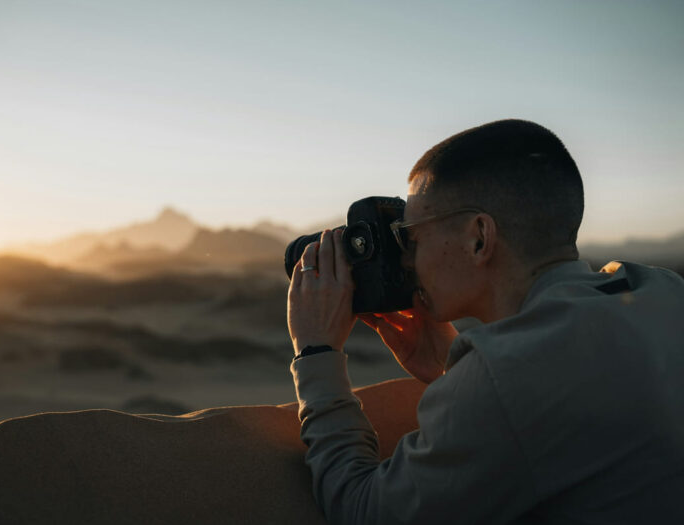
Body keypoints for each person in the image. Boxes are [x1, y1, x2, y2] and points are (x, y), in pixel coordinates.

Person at [287, 119, 684, 524]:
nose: (407, 260)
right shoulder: (662, 291)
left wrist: (317, 353)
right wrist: (450, 370)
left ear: (479, 237)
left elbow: (364, 510)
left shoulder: (506, 375)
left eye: (412, 238)